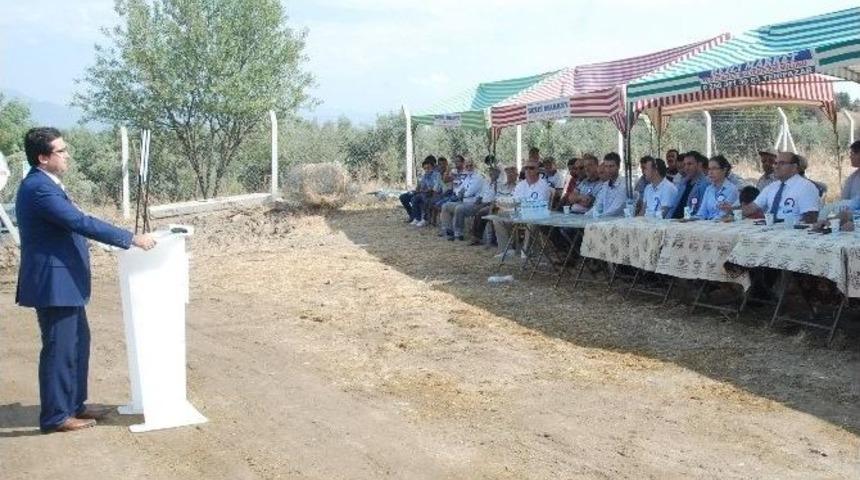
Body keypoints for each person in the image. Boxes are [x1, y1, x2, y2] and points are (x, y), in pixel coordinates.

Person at [16, 127, 157, 434]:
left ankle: (74, 404)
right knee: (60, 349)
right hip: (54, 285)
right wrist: (130, 238)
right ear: (42, 158)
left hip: (64, 283)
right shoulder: (39, 188)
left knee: (78, 344)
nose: (66, 156)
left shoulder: (47, 184)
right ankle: (55, 417)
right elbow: (78, 221)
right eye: (60, 151)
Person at [493, 159, 552, 257]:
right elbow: (514, 201)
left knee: (531, 220)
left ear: (538, 170)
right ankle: (506, 250)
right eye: (526, 168)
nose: (528, 170)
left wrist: (521, 204)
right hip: (520, 214)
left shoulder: (543, 185)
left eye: (531, 168)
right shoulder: (521, 185)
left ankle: (526, 251)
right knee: (498, 219)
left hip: (537, 215)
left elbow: (540, 205)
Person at [741, 151, 820, 223]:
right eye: (775, 163)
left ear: (794, 167)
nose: (776, 167)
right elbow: (750, 209)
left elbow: (811, 218)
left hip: (792, 232)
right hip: (769, 230)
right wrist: (735, 208)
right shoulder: (771, 187)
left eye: (782, 163)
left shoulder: (806, 187)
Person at [440, 159, 485, 240]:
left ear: (475, 166)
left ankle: (459, 233)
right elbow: (458, 190)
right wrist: (461, 193)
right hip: (464, 201)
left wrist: (462, 193)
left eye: (470, 166)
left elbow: (469, 192)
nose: (468, 168)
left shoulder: (478, 178)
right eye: (467, 166)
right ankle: (448, 230)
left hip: (474, 203)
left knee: (459, 208)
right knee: (446, 206)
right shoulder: (467, 177)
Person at [668, 151, 709, 219]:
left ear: (699, 165)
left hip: (688, 224)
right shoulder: (683, 183)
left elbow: (701, 212)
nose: (686, 168)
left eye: (689, 164)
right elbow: (674, 207)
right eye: (685, 164)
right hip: (673, 221)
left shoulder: (705, 185)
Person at [468, 165, 502, 245]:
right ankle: (473, 234)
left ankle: (477, 237)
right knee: (474, 210)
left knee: (481, 212)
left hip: (494, 205)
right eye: (490, 171)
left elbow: (497, 198)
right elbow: (482, 194)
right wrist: (478, 201)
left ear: (498, 173)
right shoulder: (487, 182)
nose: (491, 173)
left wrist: (496, 187)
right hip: (483, 203)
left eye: (493, 171)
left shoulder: (499, 183)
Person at [698, 155, 739, 220]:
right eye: (709, 169)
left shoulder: (732, 189)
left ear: (724, 170)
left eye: (714, 168)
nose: (710, 172)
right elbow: (702, 213)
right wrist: (691, 220)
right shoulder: (708, 189)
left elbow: (723, 214)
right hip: (708, 225)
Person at [586, 152, 627, 218]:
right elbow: (598, 205)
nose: (608, 169)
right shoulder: (605, 185)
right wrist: (586, 216)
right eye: (606, 166)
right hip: (603, 220)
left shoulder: (624, 185)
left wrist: (599, 217)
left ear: (618, 167)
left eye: (611, 166)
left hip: (617, 222)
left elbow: (615, 210)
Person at [399, 155, 436, 223]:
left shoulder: (435, 174)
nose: (427, 169)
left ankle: (419, 218)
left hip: (426, 193)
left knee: (416, 198)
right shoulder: (425, 174)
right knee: (403, 197)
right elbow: (420, 185)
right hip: (420, 192)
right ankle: (412, 216)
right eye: (425, 167)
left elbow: (433, 188)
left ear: (433, 165)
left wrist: (421, 191)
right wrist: (416, 190)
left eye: (429, 166)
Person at [409, 156, 442, 227]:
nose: (427, 170)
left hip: (436, 195)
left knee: (425, 199)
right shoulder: (425, 176)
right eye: (425, 168)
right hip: (425, 193)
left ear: (433, 167)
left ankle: (425, 219)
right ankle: (417, 218)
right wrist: (419, 190)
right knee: (414, 198)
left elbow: (435, 188)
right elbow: (422, 186)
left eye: (428, 168)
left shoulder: (437, 175)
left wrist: (425, 190)